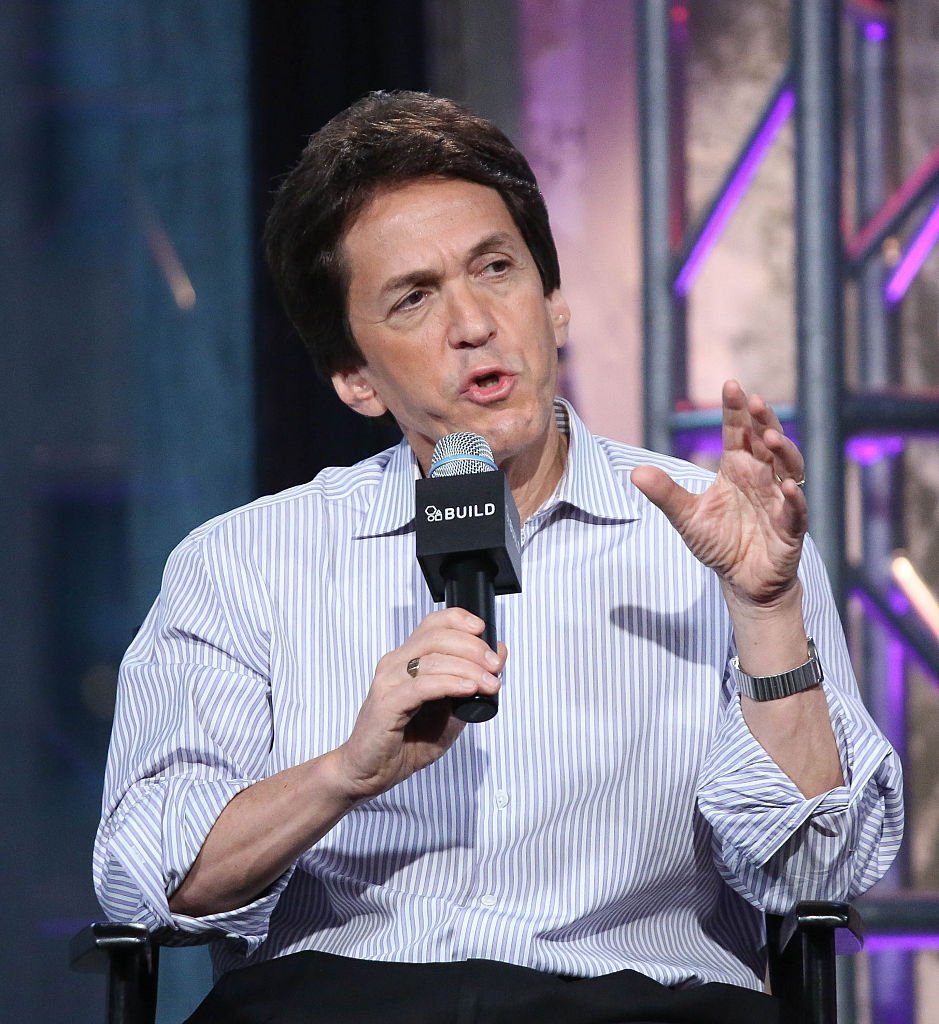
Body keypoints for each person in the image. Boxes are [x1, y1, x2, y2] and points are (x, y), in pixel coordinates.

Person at [94, 91, 903, 1023]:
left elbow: (815, 872)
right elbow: (146, 881)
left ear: (552, 304)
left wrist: (766, 614)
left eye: (495, 269)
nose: (473, 323)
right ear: (355, 379)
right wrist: (344, 774)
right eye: (413, 297)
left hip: (640, 1005)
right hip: (343, 1004)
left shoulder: (719, 537)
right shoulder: (243, 561)